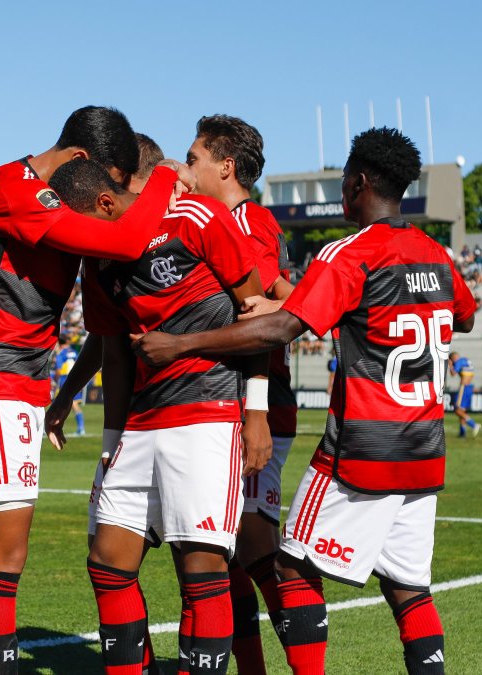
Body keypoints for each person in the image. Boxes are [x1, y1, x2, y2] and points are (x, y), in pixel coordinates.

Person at [132, 127, 477, 674]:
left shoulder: (350, 253)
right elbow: (465, 313)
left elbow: (280, 331)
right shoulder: (436, 254)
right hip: (425, 447)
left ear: (359, 181)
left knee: (289, 568)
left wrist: (181, 342)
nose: (342, 186)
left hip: (364, 445)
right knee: (408, 587)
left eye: (344, 176)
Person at [0, 106, 195, 675]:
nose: (104, 200)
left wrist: (66, 392)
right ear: (79, 160)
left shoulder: (31, 190)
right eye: (106, 186)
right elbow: (125, 241)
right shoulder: (17, 189)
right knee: (2, 559)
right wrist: (170, 175)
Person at [49, 157, 272, 675]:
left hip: (207, 414)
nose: (79, 236)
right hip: (141, 424)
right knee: (106, 562)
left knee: (201, 569)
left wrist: (255, 411)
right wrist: (111, 440)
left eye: (83, 222)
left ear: (106, 203)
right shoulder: (96, 261)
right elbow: (114, 353)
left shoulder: (195, 218)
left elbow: (255, 311)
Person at [184, 114, 296, 674]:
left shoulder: (250, 222)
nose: (187, 170)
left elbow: (264, 307)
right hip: (220, 405)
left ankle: (308, 662)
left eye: (195, 158)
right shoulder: (207, 220)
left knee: (255, 550)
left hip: (259, 407)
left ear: (225, 167)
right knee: (226, 558)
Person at [52, 336, 85, 437]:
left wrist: (55, 379)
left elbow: (58, 369)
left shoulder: (61, 353)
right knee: (72, 403)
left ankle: (54, 426)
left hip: (65, 379)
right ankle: (80, 428)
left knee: (60, 403)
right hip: (75, 378)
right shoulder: (73, 351)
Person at [448, 351, 480, 438]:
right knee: (462, 411)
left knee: (457, 410)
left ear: (453, 358)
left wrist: (450, 365)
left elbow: (453, 374)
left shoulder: (459, 361)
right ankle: (462, 433)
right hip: (469, 387)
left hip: (464, 387)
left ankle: (474, 425)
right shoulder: (466, 360)